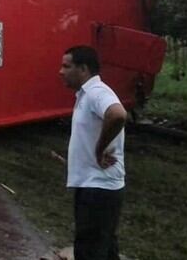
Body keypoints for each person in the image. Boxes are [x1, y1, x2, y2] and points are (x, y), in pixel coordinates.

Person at [60, 45, 127, 260]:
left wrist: (99, 150)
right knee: (105, 248)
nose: (60, 71)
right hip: (93, 185)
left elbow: (117, 115)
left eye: (66, 66)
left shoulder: (97, 92)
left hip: (98, 188)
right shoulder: (85, 95)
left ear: (83, 69)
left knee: (90, 250)